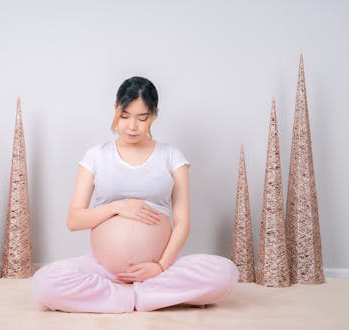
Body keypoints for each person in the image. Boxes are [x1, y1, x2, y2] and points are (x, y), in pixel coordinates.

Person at [32, 76, 238, 313]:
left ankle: (129, 295)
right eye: (125, 116)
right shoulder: (95, 156)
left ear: (154, 114)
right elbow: (74, 220)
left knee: (225, 274)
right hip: (102, 269)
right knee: (43, 285)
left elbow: (183, 223)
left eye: (142, 118)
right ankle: (138, 297)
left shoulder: (172, 157)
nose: (132, 126)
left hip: (160, 269)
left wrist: (160, 266)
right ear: (115, 109)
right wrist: (117, 207)